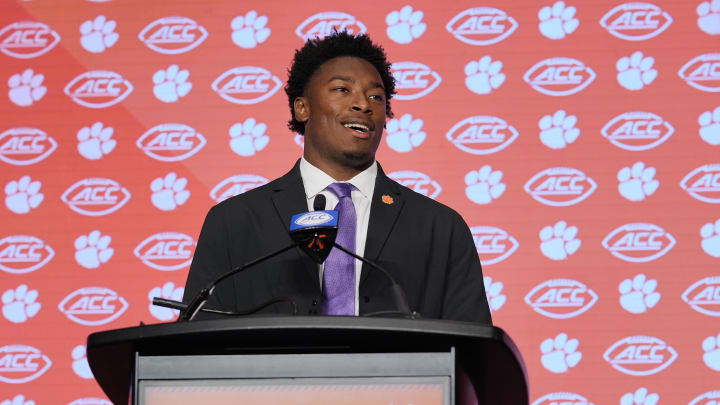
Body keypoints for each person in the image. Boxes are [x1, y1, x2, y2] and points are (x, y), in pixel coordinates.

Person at [182, 31, 491, 323]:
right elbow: (196, 344)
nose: (363, 105)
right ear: (302, 107)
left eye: (376, 97)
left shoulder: (440, 228)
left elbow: (473, 354)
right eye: (343, 90)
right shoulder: (235, 222)